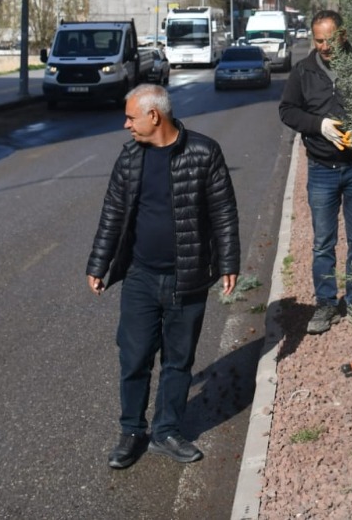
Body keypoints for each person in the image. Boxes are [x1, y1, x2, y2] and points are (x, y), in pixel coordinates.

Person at [86, 84, 240, 470]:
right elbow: (112, 215)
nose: (125, 125)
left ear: (154, 116)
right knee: (134, 358)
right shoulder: (129, 159)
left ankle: (167, 431)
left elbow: (224, 212)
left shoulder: (205, 152)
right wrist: (98, 264)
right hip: (139, 276)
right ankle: (132, 432)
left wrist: (228, 263)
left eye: (131, 117)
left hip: (187, 277)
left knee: (178, 361)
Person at [279, 9, 352, 335]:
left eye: (330, 40)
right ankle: (326, 304)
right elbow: (287, 111)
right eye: (318, 40)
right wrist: (319, 125)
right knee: (323, 243)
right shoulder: (303, 72)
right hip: (322, 170)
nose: (324, 46)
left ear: (342, 36)